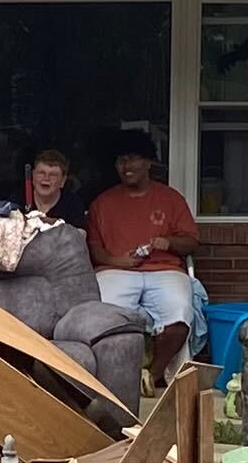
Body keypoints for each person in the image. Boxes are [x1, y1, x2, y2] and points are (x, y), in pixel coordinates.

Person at [85, 133, 202, 384]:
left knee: (180, 313)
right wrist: (117, 261)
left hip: (165, 271)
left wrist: (168, 242)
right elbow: (95, 250)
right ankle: (113, 378)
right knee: (103, 318)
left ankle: (153, 375)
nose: (126, 166)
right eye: (121, 160)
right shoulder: (101, 204)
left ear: (149, 163)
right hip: (114, 272)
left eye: (134, 159)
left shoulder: (171, 199)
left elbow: (192, 242)